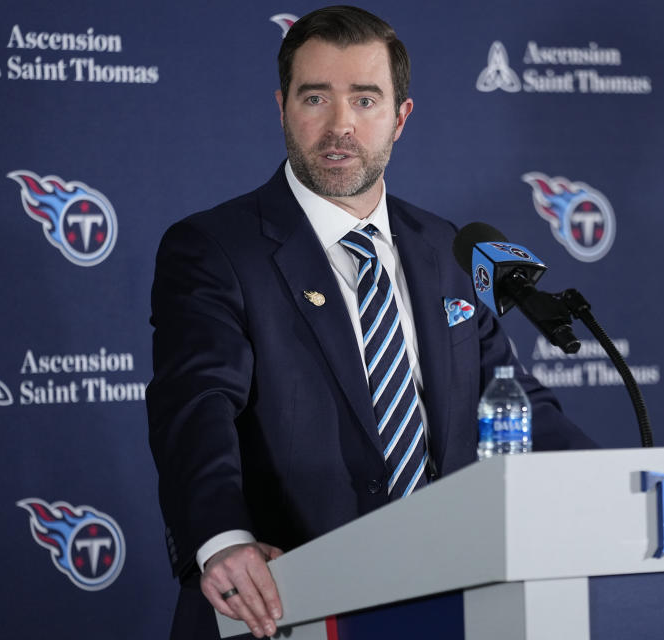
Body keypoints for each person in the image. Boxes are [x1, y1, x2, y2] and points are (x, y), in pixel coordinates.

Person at [146, 6, 595, 639]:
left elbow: (513, 403)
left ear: (400, 117)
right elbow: (195, 406)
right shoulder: (215, 248)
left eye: (364, 99)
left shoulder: (447, 249)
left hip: (449, 599)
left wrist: (615, 498)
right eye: (315, 98)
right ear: (281, 108)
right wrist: (222, 538)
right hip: (286, 604)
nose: (340, 126)